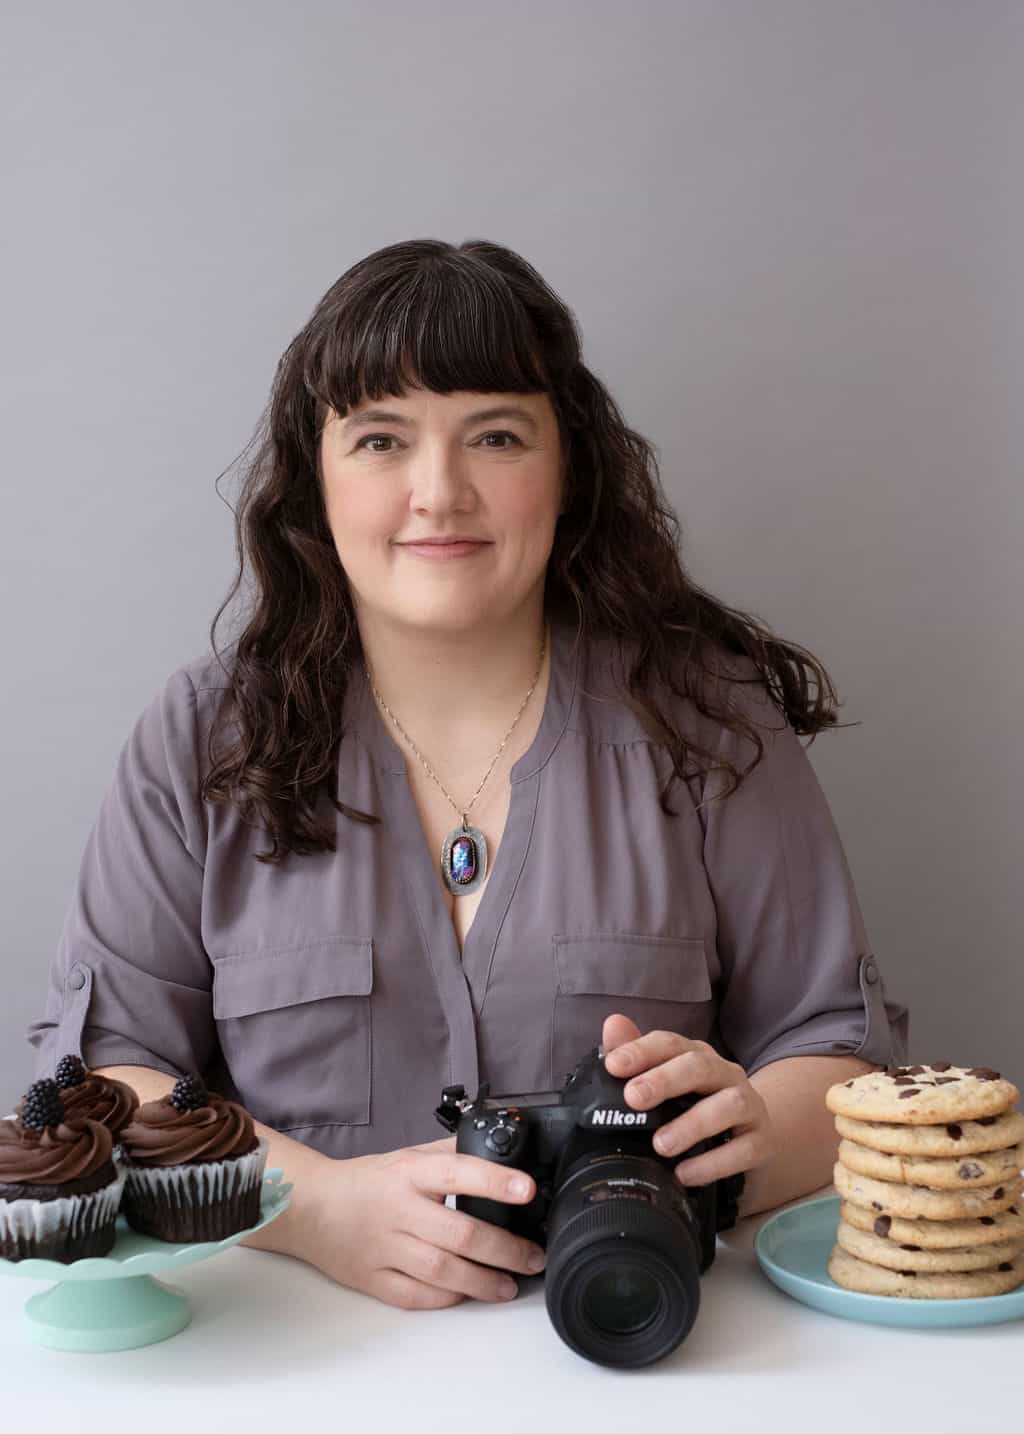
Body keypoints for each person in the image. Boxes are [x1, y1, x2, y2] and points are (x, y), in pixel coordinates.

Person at [27, 236, 909, 1311]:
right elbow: (112, 1073)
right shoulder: (201, 738)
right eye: (381, 439)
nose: (437, 493)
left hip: (651, 1362)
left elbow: (842, 1057)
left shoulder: (707, 723)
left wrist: (755, 1133)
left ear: (566, 462)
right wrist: (314, 1208)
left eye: (494, 435)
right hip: (279, 1381)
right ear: (317, 473)